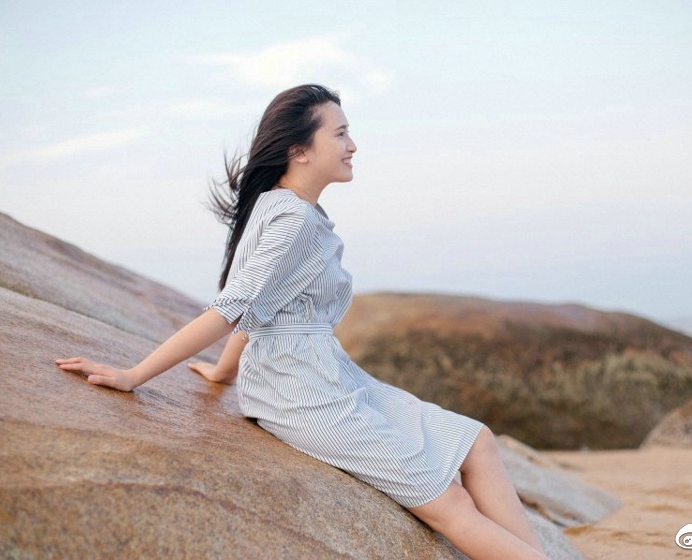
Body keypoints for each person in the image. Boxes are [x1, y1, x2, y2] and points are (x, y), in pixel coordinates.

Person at [56, 84, 546, 559]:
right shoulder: (291, 221)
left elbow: (263, 304)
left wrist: (225, 372)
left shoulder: (283, 206)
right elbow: (233, 309)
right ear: (299, 150)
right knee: (450, 504)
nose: (353, 145)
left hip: (325, 373)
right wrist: (133, 376)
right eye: (340, 134)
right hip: (300, 391)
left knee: (476, 441)